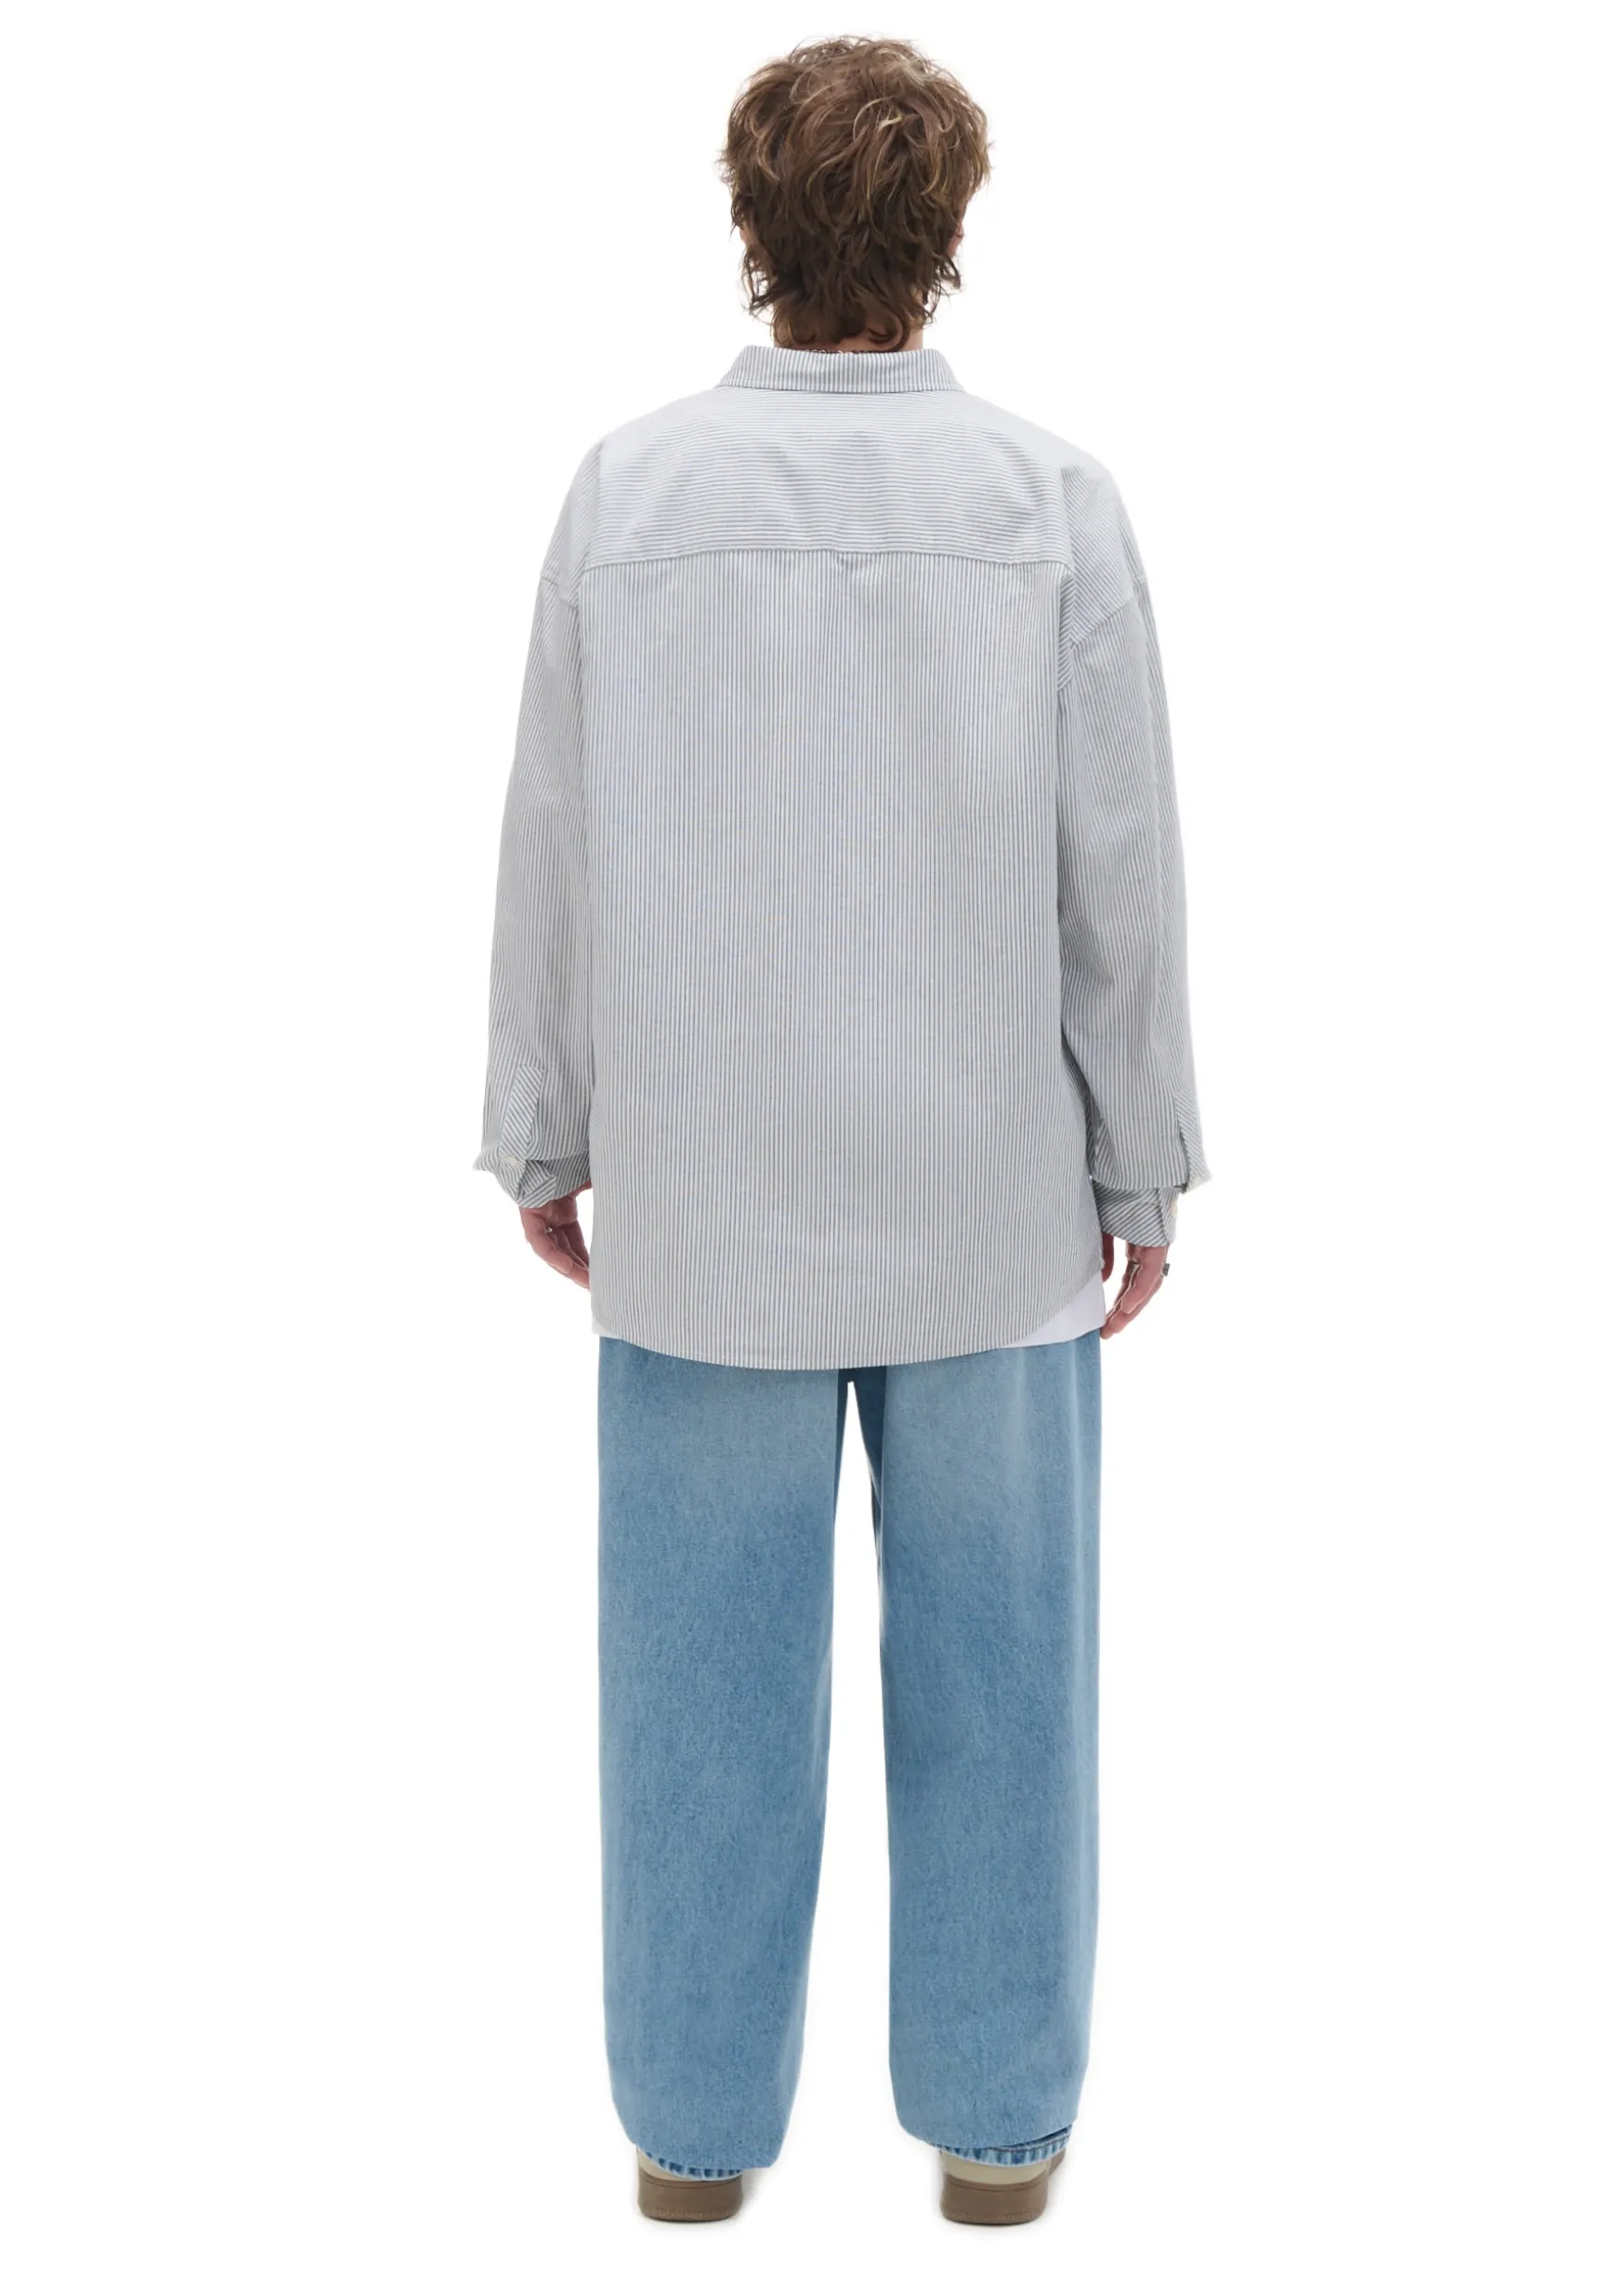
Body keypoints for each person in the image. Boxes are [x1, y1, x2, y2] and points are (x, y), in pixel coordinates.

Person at [475, 34, 1210, 2228]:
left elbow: (553, 839)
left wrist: (542, 1127)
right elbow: (1118, 871)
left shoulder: (628, 494)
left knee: (694, 1705)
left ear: (750, 222)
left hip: (706, 1204)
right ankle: (995, 2141)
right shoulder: (1048, 503)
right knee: (1004, 1689)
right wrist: (1140, 1161)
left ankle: (689, 2148)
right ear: (946, 230)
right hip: (989, 1209)